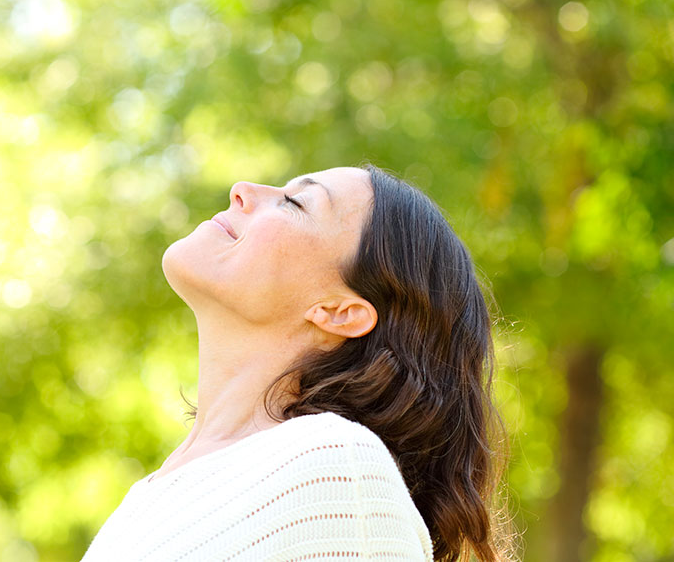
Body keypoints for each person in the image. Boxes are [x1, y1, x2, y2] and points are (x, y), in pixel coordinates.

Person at [80, 164, 514, 561]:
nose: (241, 190)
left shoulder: (336, 471)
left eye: (294, 202)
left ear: (338, 311)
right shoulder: (151, 495)